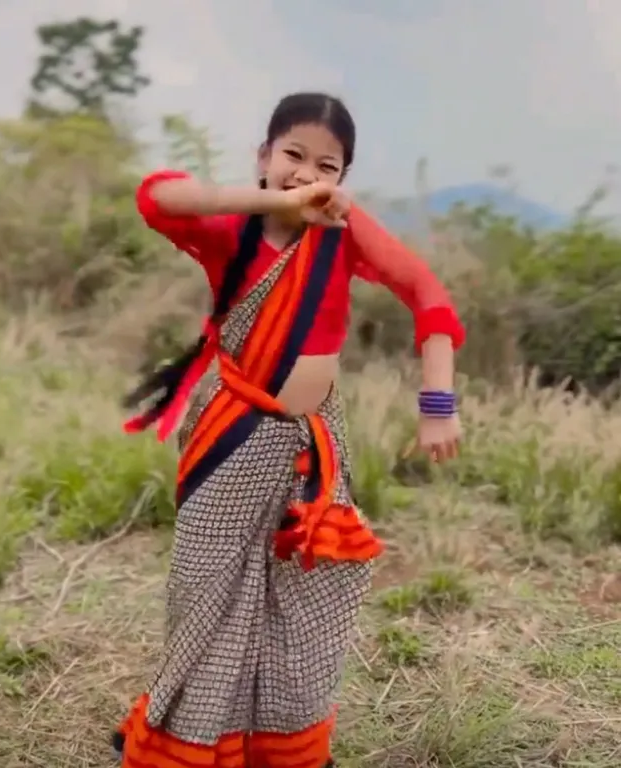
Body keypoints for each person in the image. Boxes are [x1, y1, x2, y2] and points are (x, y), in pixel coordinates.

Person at [113, 92, 465, 768]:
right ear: (264, 158)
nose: (306, 172)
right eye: (293, 155)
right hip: (231, 434)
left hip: (312, 442)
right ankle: (182, 743)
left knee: (303, 599)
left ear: (343, 177)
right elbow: (156, 196)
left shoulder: (344, 230)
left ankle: (286, 751)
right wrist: (273, 204)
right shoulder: (232, 231)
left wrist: (438, 402)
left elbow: (427, 293)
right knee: (207, 593)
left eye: (325, 164)